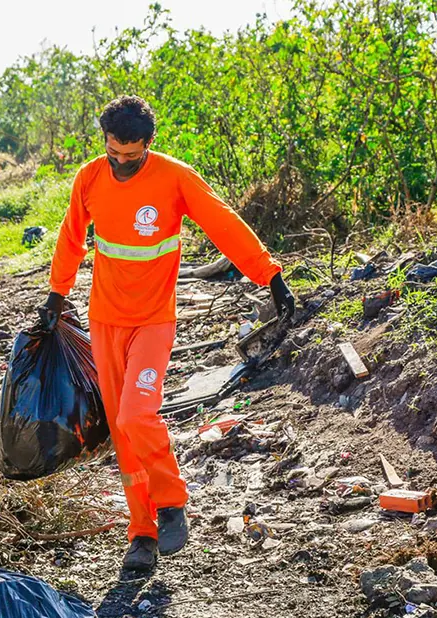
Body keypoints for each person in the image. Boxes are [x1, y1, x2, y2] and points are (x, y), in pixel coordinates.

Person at [40, 95, 296, 572]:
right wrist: (57, 295)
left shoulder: (174, 178)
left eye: (130, 157)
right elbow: (71, 236)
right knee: (121, 430)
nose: (120, 165)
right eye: (113, 153)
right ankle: (142, 532)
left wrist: (270, 275)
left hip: (154, 321)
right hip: (104, 321)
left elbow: (223, 222)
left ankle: (172, 501)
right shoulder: (91, 178)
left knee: (138, 415)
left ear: (148, 145)